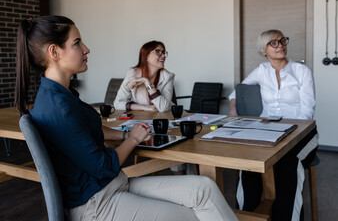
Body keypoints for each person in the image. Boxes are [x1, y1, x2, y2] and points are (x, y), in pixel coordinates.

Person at [15, 15, 238, 221]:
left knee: (204, 188)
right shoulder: (58, 106)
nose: (86, 49)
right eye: (77, 43)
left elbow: (84, 133)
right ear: (54, 52)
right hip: (97, 202)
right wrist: (132, 139)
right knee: (194, 215)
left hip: (110, 185)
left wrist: (125, 134)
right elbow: (103, 166)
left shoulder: (61, 94)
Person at [228, 29, 318, 221]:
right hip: (268, 130)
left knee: (289, 164)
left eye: (282, 41)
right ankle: (247, 216)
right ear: (264, 50)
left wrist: (289, 135)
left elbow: (307, 112)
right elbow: (237, 91)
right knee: (250, 163)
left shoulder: (302, 71)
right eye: (273, 43)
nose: (280, 45)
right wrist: (233, 110)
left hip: (303, 132)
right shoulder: (261, 71)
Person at [114, 40, 174, 112]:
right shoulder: (133, 74)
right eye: (158, 52)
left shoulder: (168, 77)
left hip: (163, 118)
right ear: (146, 55)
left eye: (163, 53)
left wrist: (146, 82)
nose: (163, 56)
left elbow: (164, 108)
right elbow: (118, 104)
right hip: (141, 118)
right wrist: (144, 107)